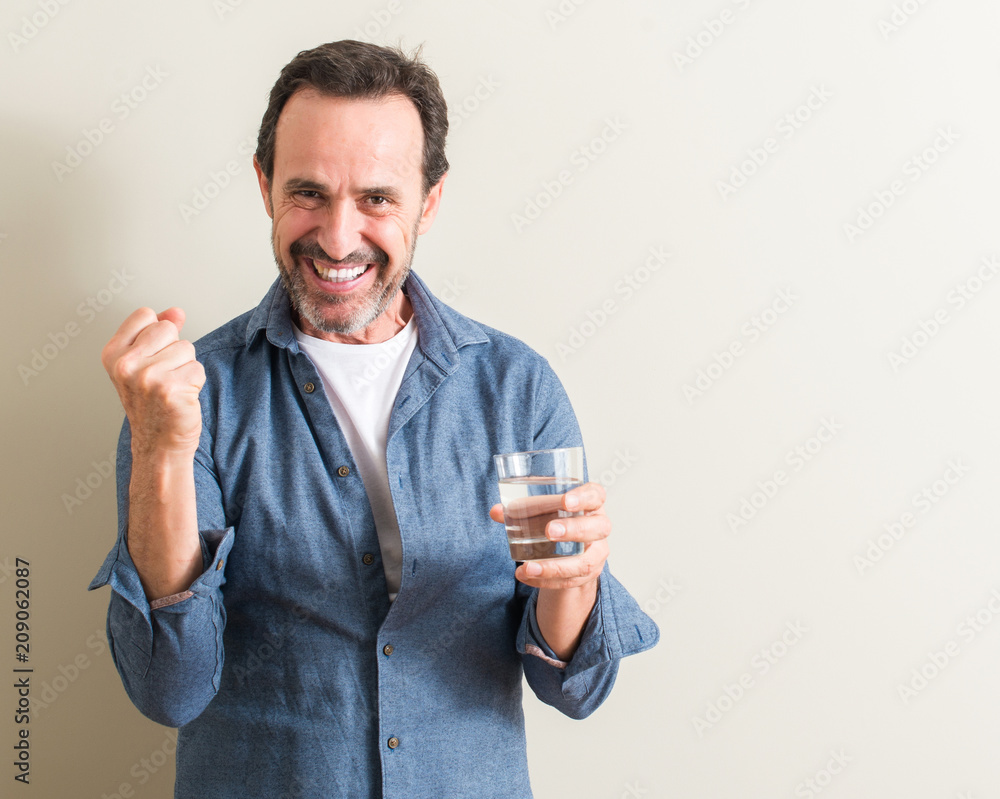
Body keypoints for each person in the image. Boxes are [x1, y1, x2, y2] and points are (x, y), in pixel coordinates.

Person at [89, 40, 659, 799]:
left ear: (429, 199)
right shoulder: (189, 397)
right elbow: (170, 689)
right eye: (309, 193)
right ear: (264, 186)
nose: (337, 236)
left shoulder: (515, 388)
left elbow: (573, 688)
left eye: (377, 199)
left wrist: (575, 582)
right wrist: (162, 452)